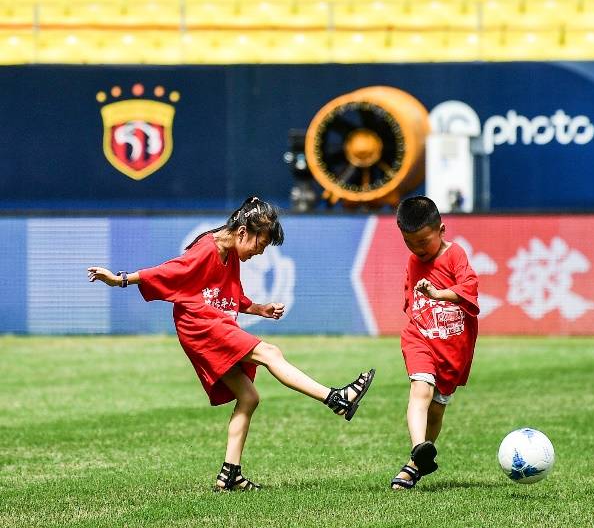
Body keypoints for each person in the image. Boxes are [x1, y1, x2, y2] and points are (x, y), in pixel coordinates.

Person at [87, 196, 374, 492]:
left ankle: (229, 476)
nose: (258, 253)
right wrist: (119, 279)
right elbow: (167, 272)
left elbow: (225, 295)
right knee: (270, 353)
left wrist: (258, 308)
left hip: (207, 322)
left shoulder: (230, 252)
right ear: (242, 233)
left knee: (249, 397)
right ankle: (337, 399)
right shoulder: (205, 249)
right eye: (259, 245)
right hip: (199, 325)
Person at [390, 195, 480, 490]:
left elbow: (469, 288)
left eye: (423, 242)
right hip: (420, 339)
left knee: (437, 409)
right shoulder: (413, 260)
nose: (417, 249)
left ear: (441, 230)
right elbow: (410, 301)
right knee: (421, 390)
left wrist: (439, 295)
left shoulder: (455, 255)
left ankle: (416, 464)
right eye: (409, 243)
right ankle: (418, 449)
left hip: (453, 350)